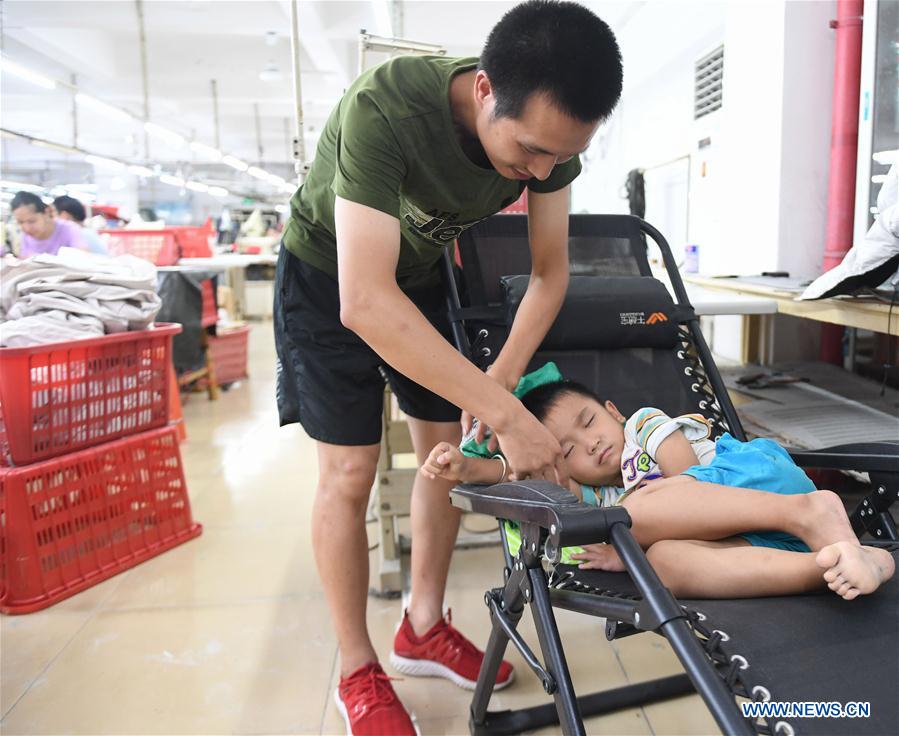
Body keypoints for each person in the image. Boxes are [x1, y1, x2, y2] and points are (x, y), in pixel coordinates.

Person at [273, 1, 623, 732]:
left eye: (559, 157)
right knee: (349, 471)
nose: (539, 171)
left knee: (444, 450)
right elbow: (363, 301)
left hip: (420, 276)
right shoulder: (387, 108)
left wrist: (498, 381)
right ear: (485, 88)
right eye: (528, 151)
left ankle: (421, 625)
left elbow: (549, 273)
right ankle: (356, 667)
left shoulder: (551, 144)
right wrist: (509, 416)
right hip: (325, 277)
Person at [423, 377, 896, 601]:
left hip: (756, 486)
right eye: (567, 452)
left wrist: (629, 534)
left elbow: (690, 478)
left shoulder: (643, 427)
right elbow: (515, 476)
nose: (591, 444)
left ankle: (811, 513)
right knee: (663, 563)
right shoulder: (605, 497)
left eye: (589, 422)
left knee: (638, 516)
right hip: (746, 539)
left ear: (613, 409)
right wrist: (466, 467)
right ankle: (837, 562)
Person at [11, 191, 87, 257]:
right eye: (20, 222)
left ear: (46, 212)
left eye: (32, 221)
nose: (27, 228)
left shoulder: (70, 229)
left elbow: (84, 257)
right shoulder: (26, 235)